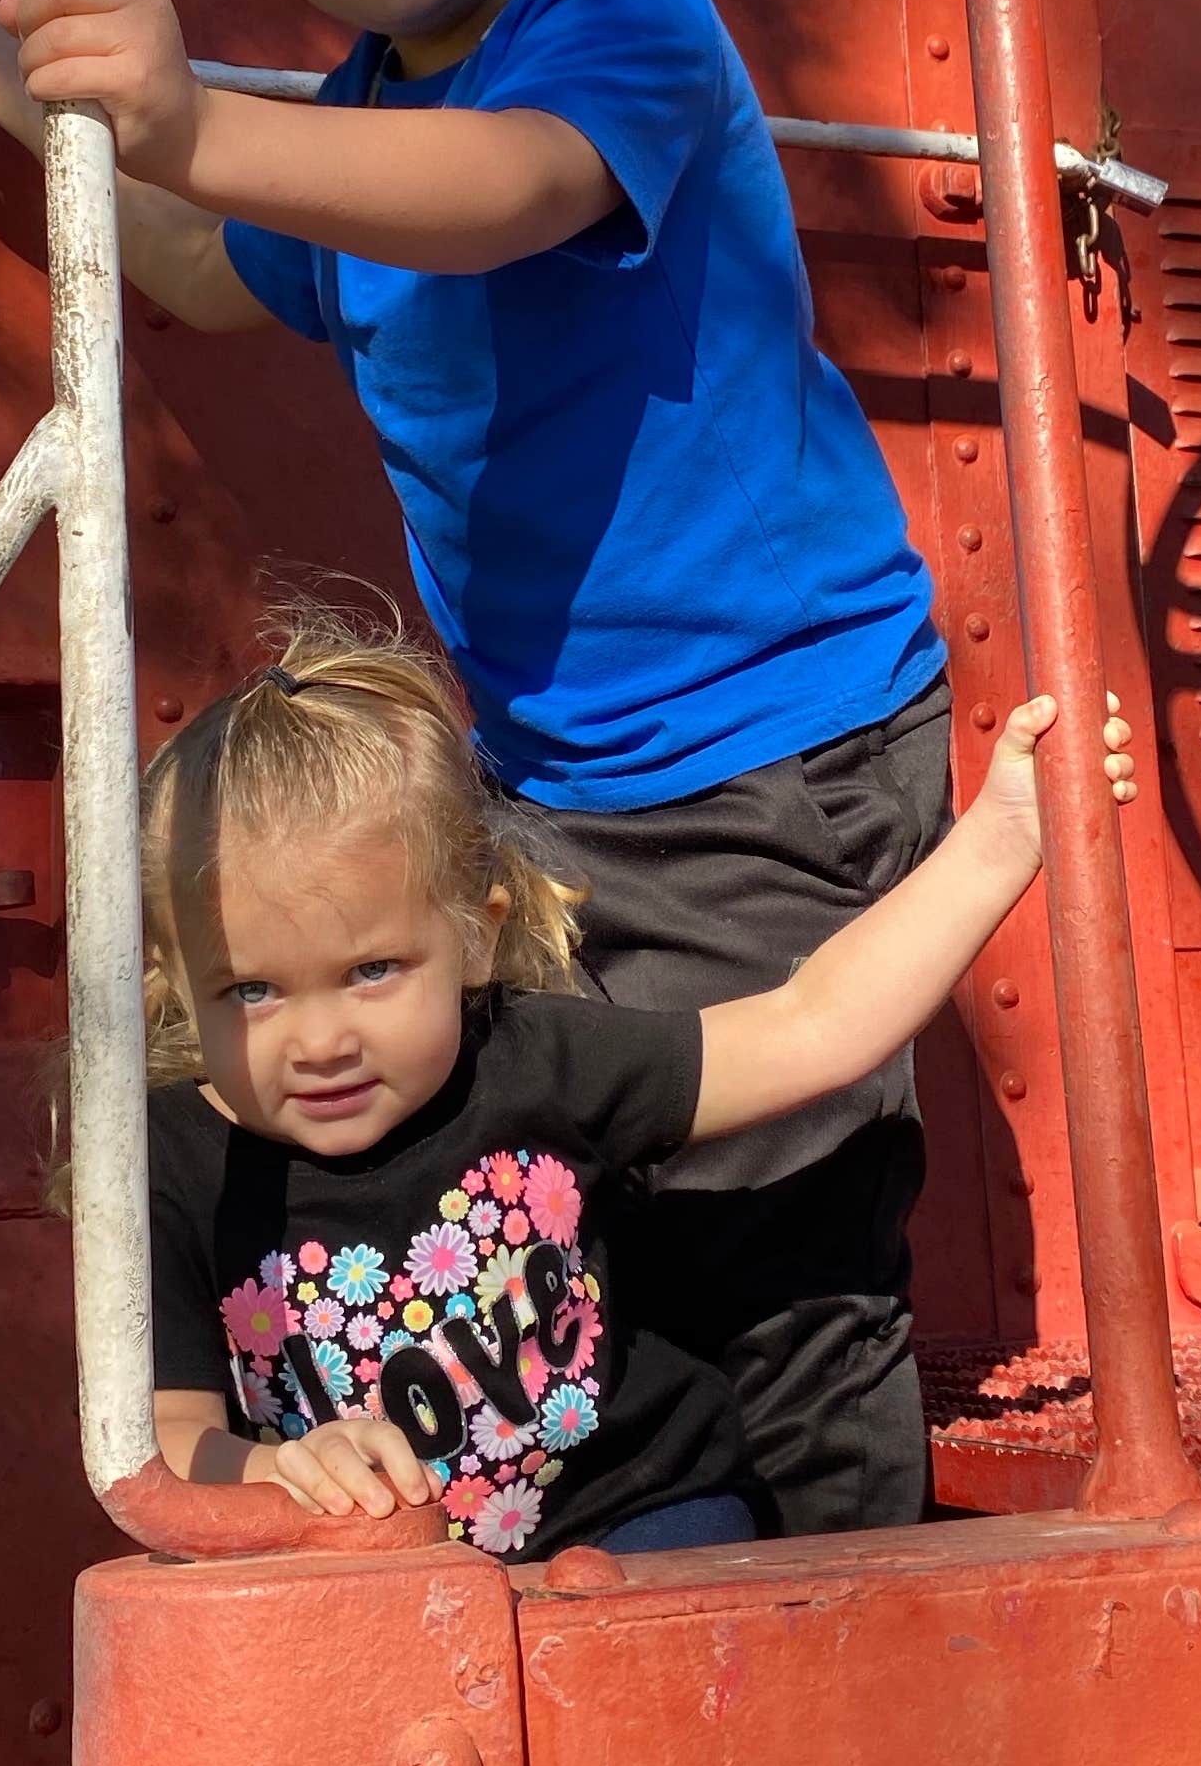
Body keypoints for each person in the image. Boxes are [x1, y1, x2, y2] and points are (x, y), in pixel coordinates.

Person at [0, 0, 966, 1535]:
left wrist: (187, 115)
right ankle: (654, 1562)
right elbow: (225, 272)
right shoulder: (354, 115)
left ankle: (855, 1612)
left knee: (785, 1210)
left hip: (776, 748)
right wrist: (33, 115)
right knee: (580, 1189)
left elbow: (499, 195)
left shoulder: (616, 13)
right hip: (564, 783)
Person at [127, 612, 1060, 1556]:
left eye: (372, 971)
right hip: (366, 1576)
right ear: (177, 979)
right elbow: (166, 1439)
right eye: (251, 990)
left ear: (475, 936)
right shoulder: (173, 1164)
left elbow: (808, 1024)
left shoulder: (530, 1061)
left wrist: (999, 843)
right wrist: (282, 1468)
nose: (319, 1040)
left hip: (639, 1514)